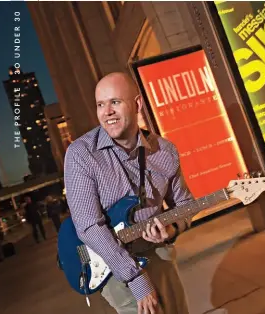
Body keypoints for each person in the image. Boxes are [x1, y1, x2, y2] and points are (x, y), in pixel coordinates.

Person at [64, 72, 193, 314]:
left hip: (156, 251)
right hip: (109, 258)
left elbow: (184, 204)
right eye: (101, 105)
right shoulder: (81, 154)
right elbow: (89, 225)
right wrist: (136, 279)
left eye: (115, 102)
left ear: (137, 104)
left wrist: (172, 229)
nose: (107, 112)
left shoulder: (165, 151)